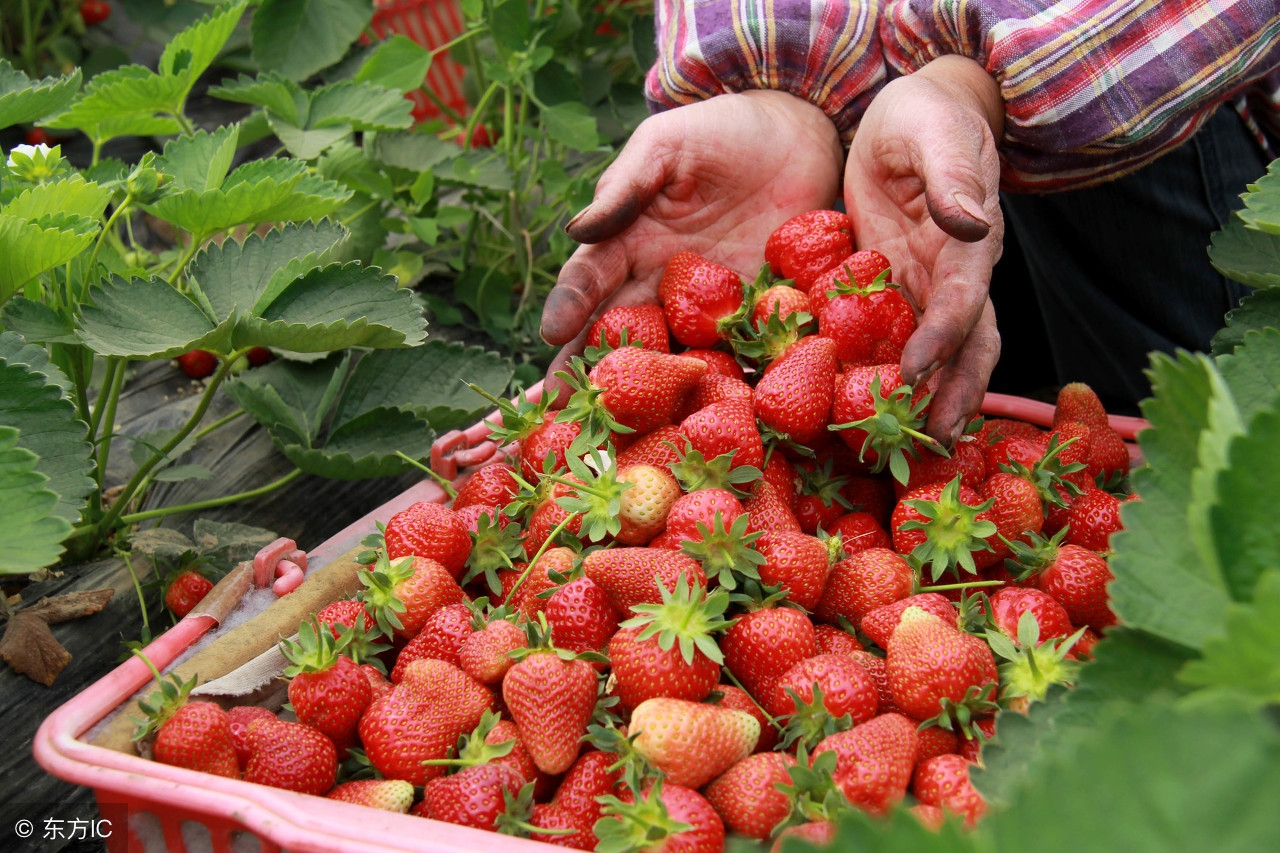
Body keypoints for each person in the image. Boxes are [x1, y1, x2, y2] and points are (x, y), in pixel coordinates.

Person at [540, 1, 1280, 444]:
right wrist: (780, 85)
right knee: (941, 416)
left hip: (1141, 84)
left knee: (1194, 480)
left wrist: (972, 78)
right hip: (902, 147)